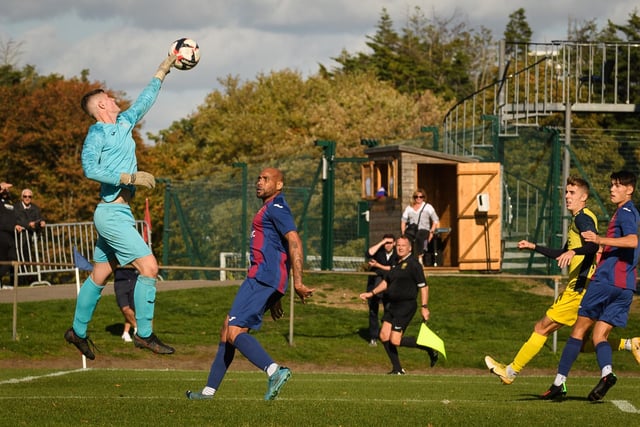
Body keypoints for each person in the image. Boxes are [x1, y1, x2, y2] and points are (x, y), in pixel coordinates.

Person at [64, 52, 178, 360]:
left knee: (100, 273)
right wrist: (128, 176)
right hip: (110, 213)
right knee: (150, 267)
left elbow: (145, 100)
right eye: (109, 97)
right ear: (101, 105)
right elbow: (90, 169)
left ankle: (77, 331)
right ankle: (144, 334)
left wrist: (163, 69)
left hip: (119, 213)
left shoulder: (125, 123)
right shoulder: (96, 132)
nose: (115, 99)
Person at [186, 168, 315, 401]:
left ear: (279, 186)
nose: (259, 182)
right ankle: (208, 392)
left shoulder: (277, 208)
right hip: (264, 277)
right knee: (227, 328)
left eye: (266, 179)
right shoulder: (268, 208)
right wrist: (276, 295)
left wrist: (298, 282)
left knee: (235, 331)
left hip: (262, 276)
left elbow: (294, 241)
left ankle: (275, 371)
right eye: (258, 178)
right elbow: (280, 249)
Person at [484, 176, 600, 384]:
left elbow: (594, 246)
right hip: (584, 287)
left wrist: (574, 253)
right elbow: (562, 252)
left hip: (579, 288)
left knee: (541, 328)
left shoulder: (582, 218)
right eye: (566, 192)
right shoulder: (579, 220)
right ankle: (631, 344)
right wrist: (533, 246)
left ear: (584, 197)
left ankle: (510, 372)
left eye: (572, 193)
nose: (566, 196)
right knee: (585, 340)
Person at [540, 171, 640, 401]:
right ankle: (607, 373)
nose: (612, 189)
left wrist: (599, 241)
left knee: (578, 330)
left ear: (630, 190)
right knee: (599, 335)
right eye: (611, 185)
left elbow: (633, 241)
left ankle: (559, 383)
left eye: (617, 186)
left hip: (606, 281)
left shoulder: (625, 212)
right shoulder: (632, 213)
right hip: (626, 287)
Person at [360, 235, 438, 374]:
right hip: (392, 305)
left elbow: (424, 286)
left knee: (395, 340)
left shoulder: (414, 264)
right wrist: (371, 293)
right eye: (398, 245)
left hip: (406, 306)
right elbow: (386, 282)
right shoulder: (396, 262)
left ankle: (427, 345)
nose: (400, 248)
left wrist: (424, 307)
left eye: (403, 245)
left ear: (410, 248)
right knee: (384, 336)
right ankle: (397, 369)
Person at [364, 234, 398, 346]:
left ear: (394, 243)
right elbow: (369, 253)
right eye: (385, 243)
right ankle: (373, 337)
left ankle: (387, 335)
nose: (387, 245)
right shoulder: (379, 251)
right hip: (374, 285)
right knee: (373, 311)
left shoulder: (397, 254)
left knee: (389, 310)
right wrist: (381, 243)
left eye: (390, 243)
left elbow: (393, 268)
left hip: (389, 287)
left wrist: (378, 265)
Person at [400, 189, 439, 265]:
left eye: (421, 197)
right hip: (412, 230)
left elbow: (435, 220)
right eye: (416, 196)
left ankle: (419, 257)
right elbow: (403, 221)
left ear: (423, 197)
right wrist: (403, 232)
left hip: (424, 230)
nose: (418, 198)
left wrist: (431, 232)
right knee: (405, 240)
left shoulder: (428, 207)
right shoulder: (409, 208)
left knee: (419, 236)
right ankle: (404, 259)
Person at [14, 189, 46, 271]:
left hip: (31, 238)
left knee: (29, 258)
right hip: (18, 237)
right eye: (25, 196)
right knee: (18, 257)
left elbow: (39, 219)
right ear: (22, 197)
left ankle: (28, 277)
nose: (27, 198)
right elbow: (15, 220)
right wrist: (28, 224)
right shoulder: (16, 207)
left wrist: (41, 223)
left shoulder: (35, 208)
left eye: (29, 196)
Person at [0, 182, 17, 288]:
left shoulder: (10, 202)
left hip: (10, 234)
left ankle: (7, 283)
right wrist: (1, 187)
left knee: (13, 259)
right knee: (2, 260)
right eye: (4, 190)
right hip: (1, 233)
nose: (6, 191)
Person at [114, 267, 138, 343]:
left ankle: (126, 332)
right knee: (125, 308)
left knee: (131, 308)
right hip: (120, 281)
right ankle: (137, 328)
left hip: (134, 280)